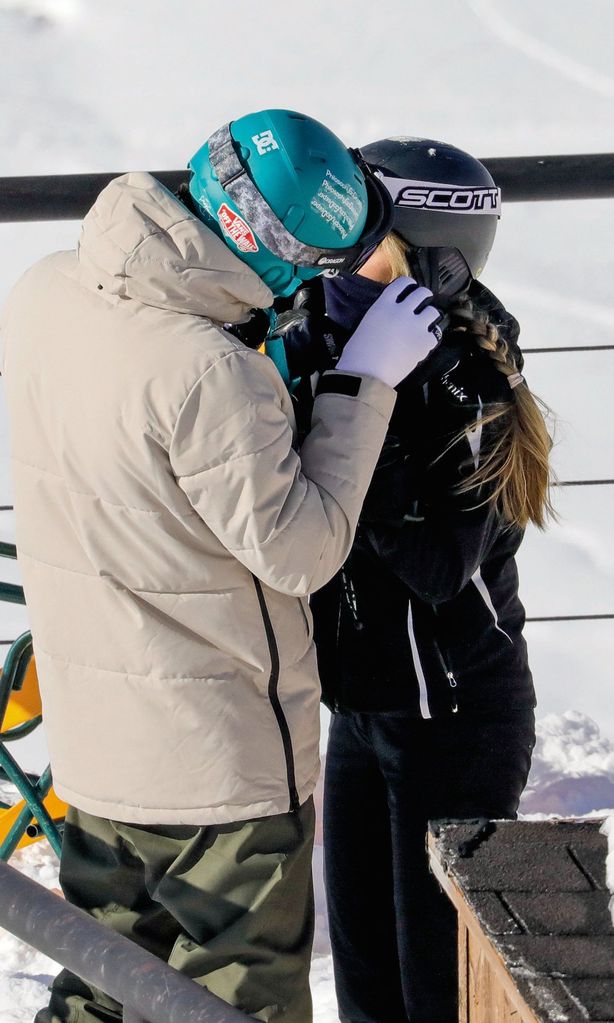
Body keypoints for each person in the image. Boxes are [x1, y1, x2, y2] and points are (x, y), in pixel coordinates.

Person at [0, 111, 445, 1023]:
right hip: (214, 771)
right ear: (278, 254)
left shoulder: (48, 287)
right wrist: (364, 385)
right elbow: (303, 551)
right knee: (239, 995)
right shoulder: (208, 372)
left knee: (105, 976)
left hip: (95, 744)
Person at [273, 136, 553, 1023]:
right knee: (365, 979)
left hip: (458, 719)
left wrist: (368, 395)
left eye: (358, 232)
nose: (332, 250)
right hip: (367, 707)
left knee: (438, 987)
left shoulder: (469, 374)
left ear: (426, 250)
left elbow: (438, 566)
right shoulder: (320, 325)